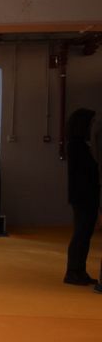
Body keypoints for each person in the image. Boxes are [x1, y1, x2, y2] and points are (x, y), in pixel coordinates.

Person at [64, 107, 99, 285]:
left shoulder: (76, 145)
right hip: (84, 195)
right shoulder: (79, 146)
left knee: (83, 233)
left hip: (81, 195)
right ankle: (74, 271)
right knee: (82, 233)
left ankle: (78, 270)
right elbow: (89, 169)